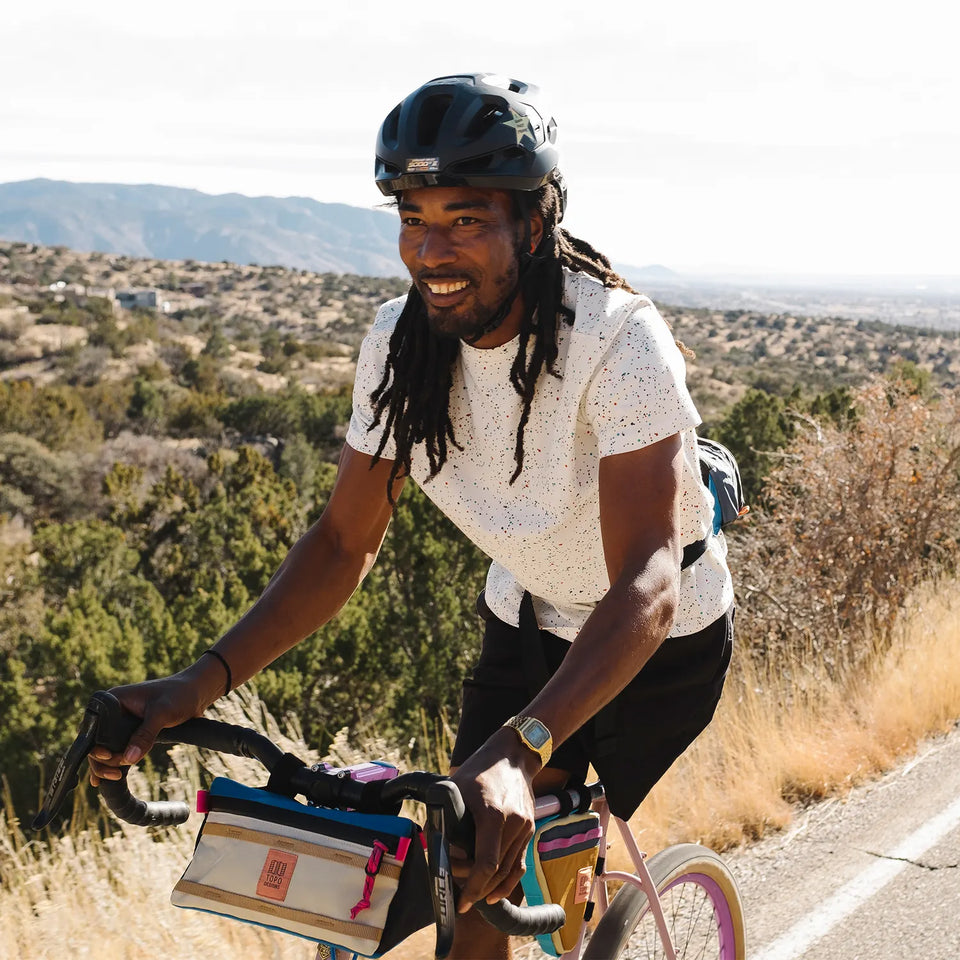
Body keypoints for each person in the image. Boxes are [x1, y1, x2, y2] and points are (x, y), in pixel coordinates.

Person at [88, 73, 734, 960]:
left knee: (510, 821)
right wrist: (194, 686)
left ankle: (571, 879)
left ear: (531, 225)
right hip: (530, 613)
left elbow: (649, 580)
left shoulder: (618, 339)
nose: (432, 251)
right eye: (412, 218)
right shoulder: (399, 343)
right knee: (460, 867)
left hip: (656, 639)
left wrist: (523, 747)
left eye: (465, 220)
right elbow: (342, 542)